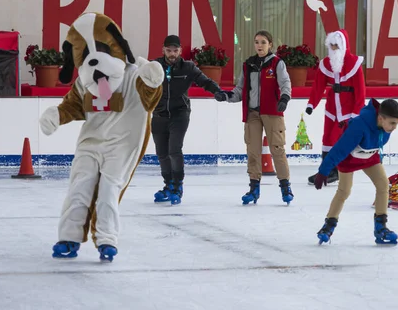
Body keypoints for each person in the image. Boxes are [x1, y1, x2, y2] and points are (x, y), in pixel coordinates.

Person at [215, 30, 294, 205]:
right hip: (253, 114)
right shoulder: (248, 65)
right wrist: (226, 96)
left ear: (270, 45)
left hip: (272, 112)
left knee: (277, 149)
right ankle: (254, 188)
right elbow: (240, 91)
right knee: (253, 152)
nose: (260, 45)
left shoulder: (276, 64)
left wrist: (284, 97)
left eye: (263, 42)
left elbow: (285, 83)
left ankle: (285, 186)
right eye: (257, 42)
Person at [313, 98, 398, 245]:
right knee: (344, 191)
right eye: (392, 123)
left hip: (369, 157)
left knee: (383, 185)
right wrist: (324, 171)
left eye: (397, 123)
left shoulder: (386, 127)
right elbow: (339, 149)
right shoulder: (359, 126)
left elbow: (377, 142)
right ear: (380, 118)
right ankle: (328, 226)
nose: (394, 127)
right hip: (349, 159)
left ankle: (381, 227)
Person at [152, 35, 223, 205]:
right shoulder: (154, 66)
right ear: (163, 50)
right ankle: (168, 185)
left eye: (175, 51)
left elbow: (205, 81)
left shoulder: (188, 67)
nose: (172, 54)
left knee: (174, 150)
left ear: (180, 51)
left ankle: (178, 185)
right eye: (168, 50)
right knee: (162, 152)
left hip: (180, 114)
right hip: (159, 114)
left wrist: (218, 92)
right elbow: (139, 82)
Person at [305, 29, 365, 185]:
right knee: (327, 138)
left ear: (343, 46)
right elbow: (318, 86)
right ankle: (325, 170)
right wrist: (312, 104)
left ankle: (336, 170)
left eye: (336, 46)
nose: (333, 49)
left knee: (340, 139)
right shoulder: (326, 63)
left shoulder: (354, 64)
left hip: (347, 109)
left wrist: (356, 111)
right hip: (331, 107)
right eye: (331, 46)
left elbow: (360, 91)